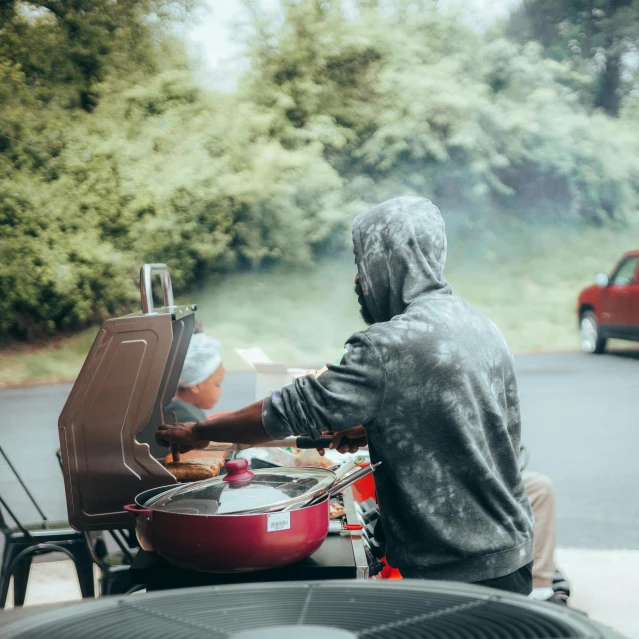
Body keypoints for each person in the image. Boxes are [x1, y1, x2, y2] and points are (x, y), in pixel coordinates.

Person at [157, 196, 535, 595]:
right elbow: (460, 420)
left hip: (458, 568)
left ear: (392, 261)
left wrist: (202, 432)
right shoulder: (478, 324)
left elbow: (291, 409)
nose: (357, 279)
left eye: (362, 262)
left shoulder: (389, 345)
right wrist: (377, 426)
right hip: (510, 550)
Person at [164, 333, 225, 424]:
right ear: (195, 385)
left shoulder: (169, 406)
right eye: (217, 385)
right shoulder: (189, 421)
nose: (221, 392)